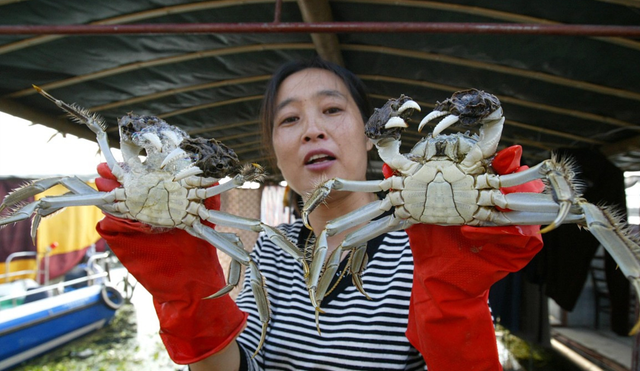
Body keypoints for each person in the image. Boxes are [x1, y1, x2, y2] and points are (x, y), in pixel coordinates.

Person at [95, 57, 544, 371]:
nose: (313, 130)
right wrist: (186, 297)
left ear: (373, 136)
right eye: (289, 120)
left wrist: (454, 300)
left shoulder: (432, 250)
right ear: (274, 152)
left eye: (332, 110)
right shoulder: (267, 249)